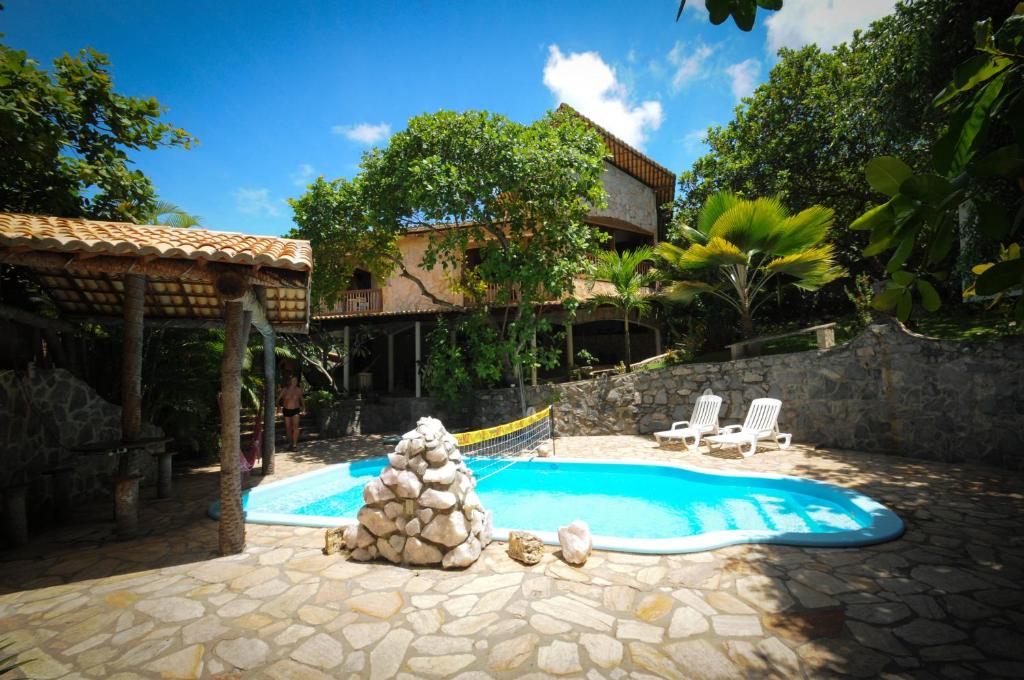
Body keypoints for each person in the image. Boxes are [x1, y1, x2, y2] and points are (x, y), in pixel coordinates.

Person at [277, 376, 305, 451]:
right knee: (288, 428)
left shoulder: (298, 390)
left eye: (296, 381)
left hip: (296, 410)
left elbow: (301, 399)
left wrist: (304, 408)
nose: (295, 382)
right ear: (289, 382)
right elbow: (278, 400)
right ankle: (290, 443)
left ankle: (295, 445)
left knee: (295, 426)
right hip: (286, 410)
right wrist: (279, 407)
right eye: (293, 380)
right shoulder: (284, 390)